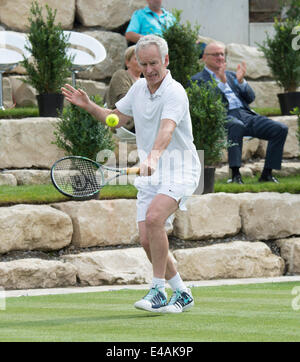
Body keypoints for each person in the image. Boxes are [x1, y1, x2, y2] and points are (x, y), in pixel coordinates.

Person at [62, 35, 201, 314]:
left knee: (154, 218)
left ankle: (158, 291)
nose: (149, 69)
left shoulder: (175, 92)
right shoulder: (138, 90)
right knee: (148, 239)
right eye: (144, 64)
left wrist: (153, 156)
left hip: (180, 168)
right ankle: (182, 293)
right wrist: (89, 106)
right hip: (151, 174)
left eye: (154, 63)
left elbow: (167, 129)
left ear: (166, 61)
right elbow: (115, 118)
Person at [191, 42, 288, 184]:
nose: (220, 57)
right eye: (215, 54)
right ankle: (235, 175)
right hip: (221, 116)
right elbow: (208, 103)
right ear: (205, 57)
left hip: (245, 115)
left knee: (280, 129)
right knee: (236, 125)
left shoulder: (231, 75)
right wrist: (222, 84)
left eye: (222, 54)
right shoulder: (198, 79)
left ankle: (267, 174)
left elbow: (250, 98)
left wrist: (241, 82)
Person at [104, 45, 141, 131]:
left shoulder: (145, 81)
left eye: (142, 59)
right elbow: (125, 101)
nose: (140, 62)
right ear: (127, 62)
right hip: (124, 122)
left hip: (140, 120)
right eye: (136, 59)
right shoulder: (121, 75)